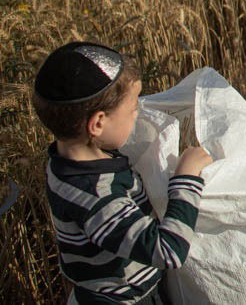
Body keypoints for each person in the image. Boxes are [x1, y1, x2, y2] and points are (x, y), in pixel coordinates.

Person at [32, 42, 213, 304]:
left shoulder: (65, 161)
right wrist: (186, 178)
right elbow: (168, 251)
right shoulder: (98, 198)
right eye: (132, 109)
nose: (138, 114)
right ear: (98, 123)